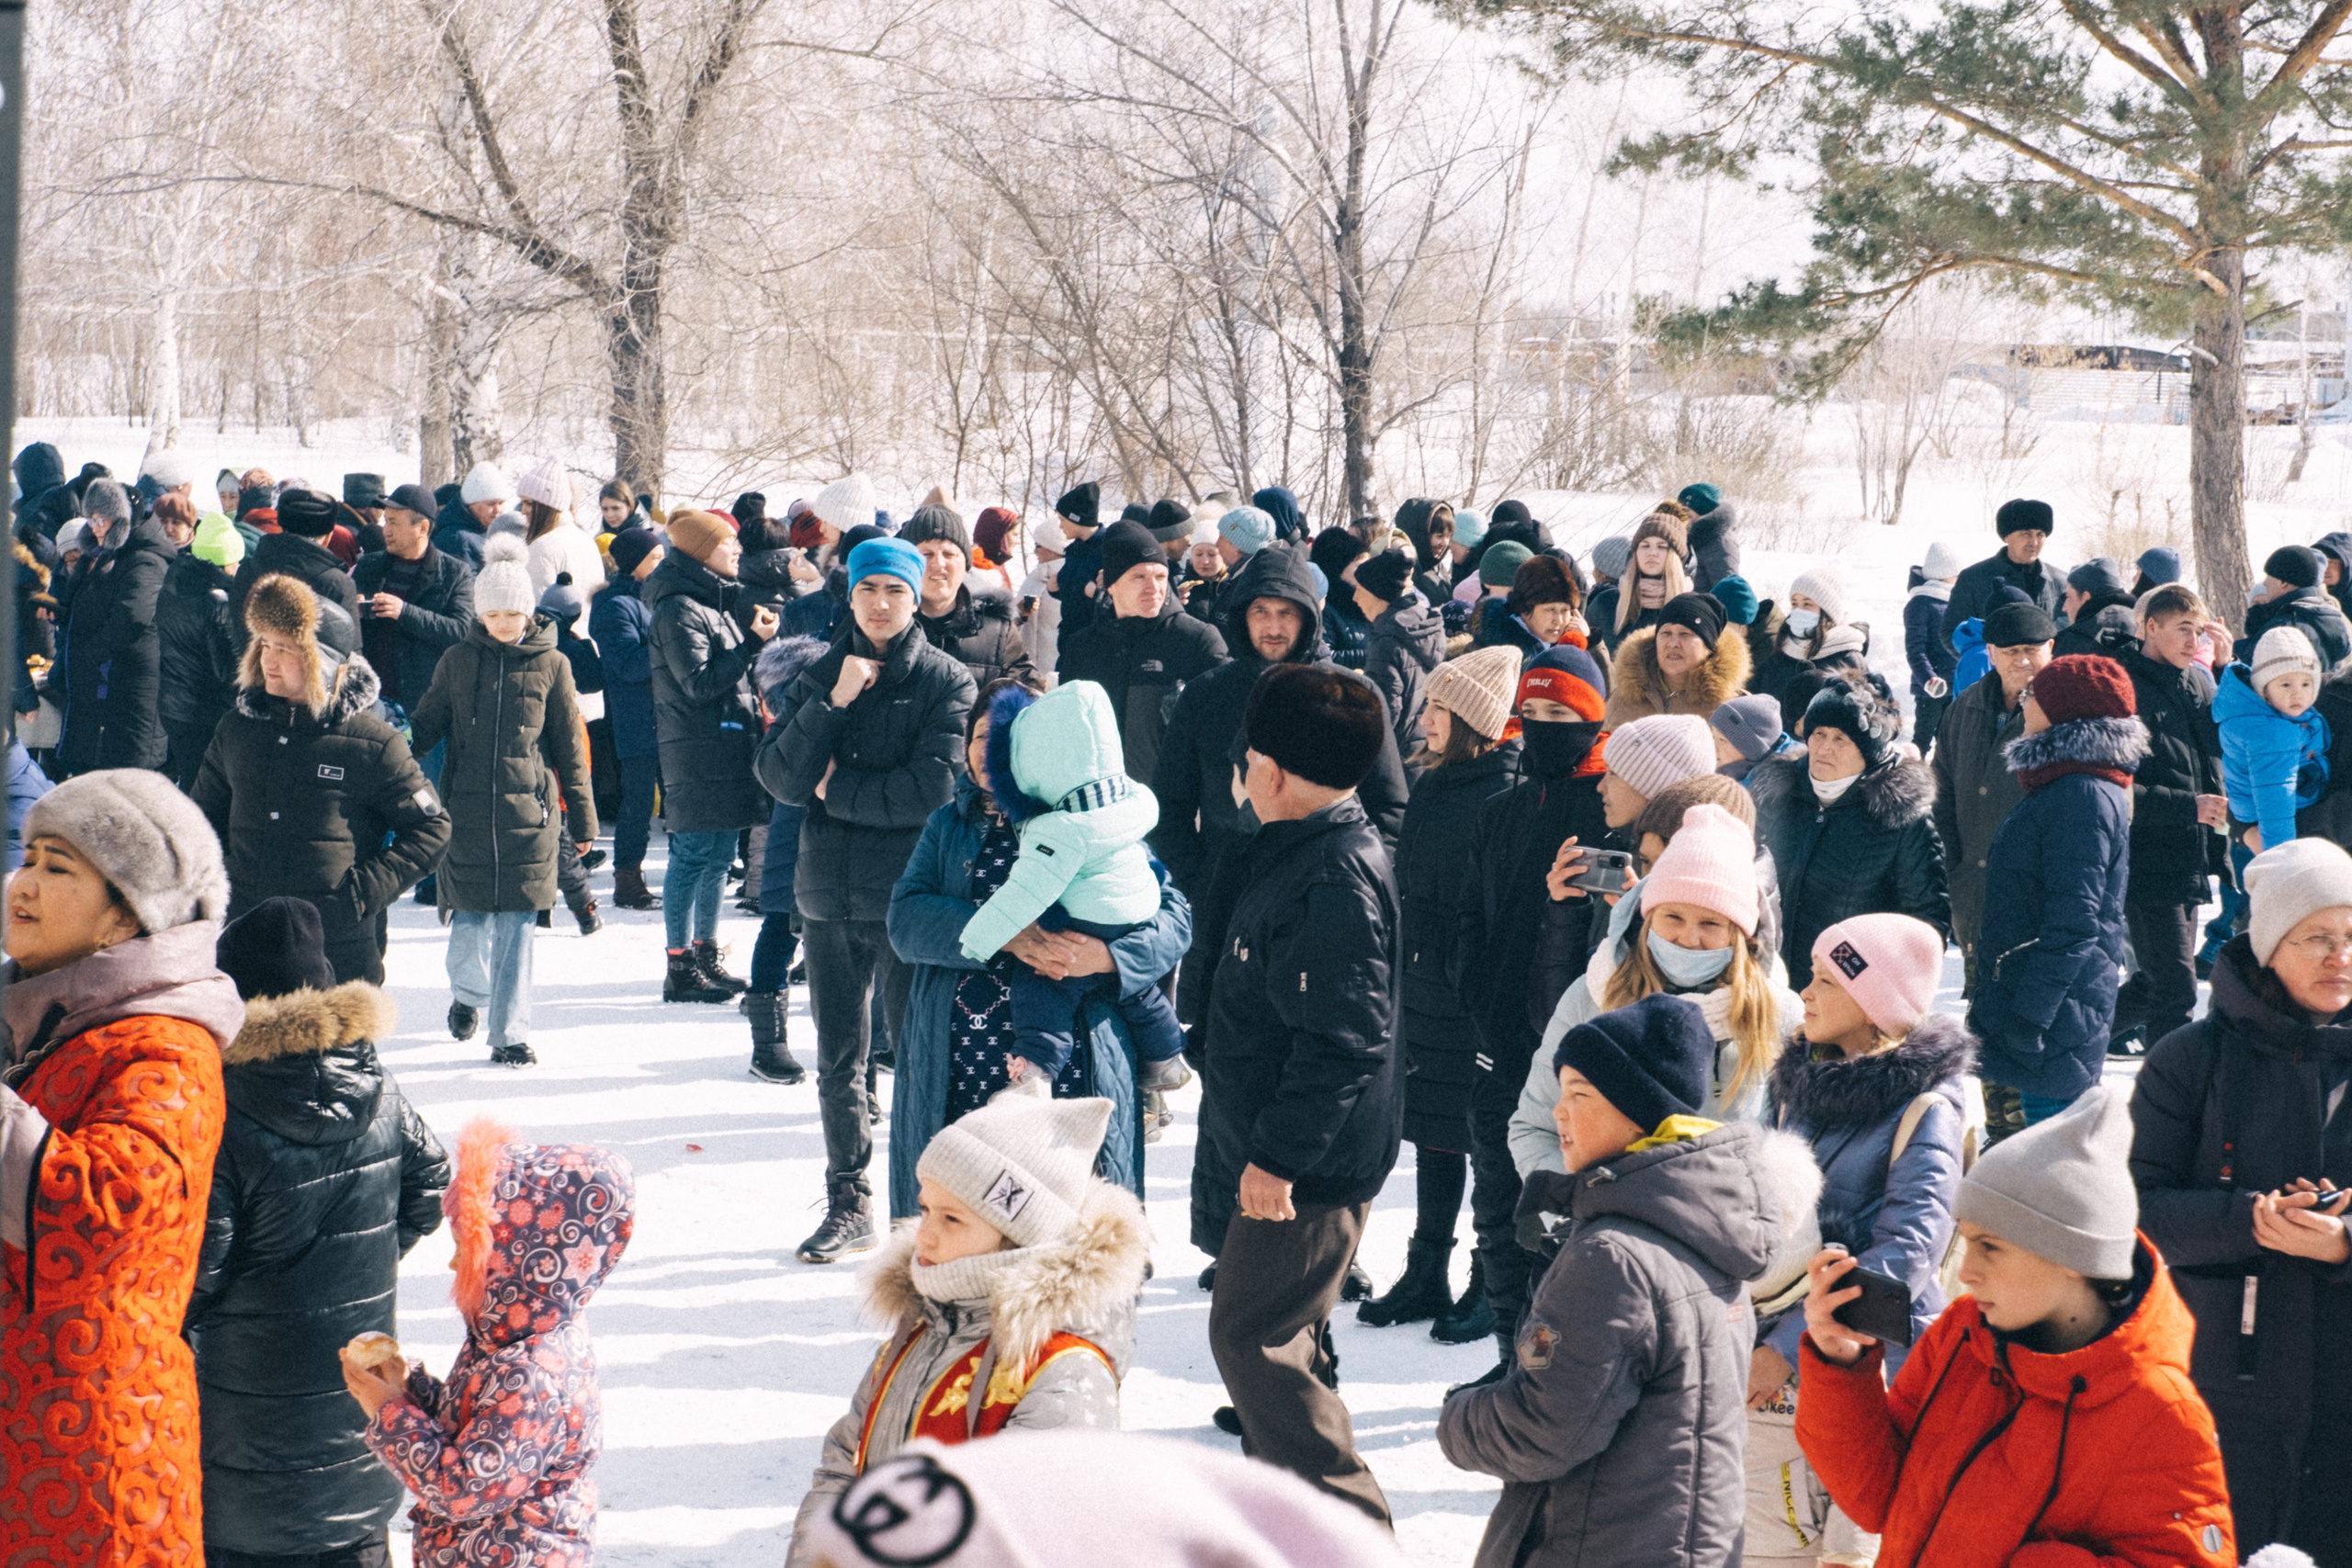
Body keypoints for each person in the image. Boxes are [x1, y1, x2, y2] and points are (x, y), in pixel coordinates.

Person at [1795, 1086, 2235, 1568]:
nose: (1966, 1271)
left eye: (1990, 1246)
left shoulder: (2159, 1411)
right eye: (1967, 1243)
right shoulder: (1961, 1333)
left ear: (2072, 1257)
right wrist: (1841, 1364)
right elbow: (1878, 1500)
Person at [1439, 993, 1807, 1568]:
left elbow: (1547, 1428)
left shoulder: (1613, 1257)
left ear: (1639, 1112)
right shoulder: (1707, 1228)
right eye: (1560, 1093)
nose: (1558, 1113)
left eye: (1580, 1095)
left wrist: (1461, 1416)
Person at [0, 770, 243, 1564]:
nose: (22, 883)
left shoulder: (164, 1046)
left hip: (94, 1466)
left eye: (57, 866)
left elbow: (100, 1214)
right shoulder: (50, 1022)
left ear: (125, 915)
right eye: (27, 857)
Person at [189, 897, 451, 1568]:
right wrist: (357, 1265)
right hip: (360, 1429)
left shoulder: (223, 1108)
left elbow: (195, 1275)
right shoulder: (379, 1087)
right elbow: (433, 1181)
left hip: (245, 1457)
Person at [1202, 664, 1401, 1523]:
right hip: (1281, 1140)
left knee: (1255, 1340)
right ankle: (1290, 1527)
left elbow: (1344, 1038)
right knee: (1283, 1337)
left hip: (1309, 1163)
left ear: (1269, 770)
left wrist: (1279, 1158)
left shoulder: (1331, 876)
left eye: (1247, 756)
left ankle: (1348, 1533)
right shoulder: (1296, 847)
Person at [789, 1092, 1149, 1562]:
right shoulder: (924, 1322)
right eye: (925, 1210)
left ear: (1016, 1237)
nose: (925, 1235)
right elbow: (843, 1466)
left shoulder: (1063, 1370)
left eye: (952, 1218)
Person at [2130, 836, 2352, 1564]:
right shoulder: (2190, 1060)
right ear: (2266, 945)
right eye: (2317, 936)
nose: (2339, 956)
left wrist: (2343, 1240)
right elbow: (2132, 1208)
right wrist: (2249, 1221)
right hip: (2225, 1377)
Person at [763, 536, 978, 1263]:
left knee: (916, 1055)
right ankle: (849, 1197)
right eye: (868, 590)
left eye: (894, 590)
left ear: (916, 597)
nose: (881, 604)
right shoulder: (823, 672)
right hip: (824, 891)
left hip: (905, 897)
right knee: (838, 1057)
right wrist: (833, 700)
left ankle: (932, 1207)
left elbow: (932, 790)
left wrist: (833, 790)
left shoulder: (946, 680)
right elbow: (778, 778)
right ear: (848, 597)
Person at [1748, 912, 1969, 1566]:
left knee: (1854, 1545)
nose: (1805, 992)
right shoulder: (1796, 1085)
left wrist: (1791, 1346)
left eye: (1826, 980)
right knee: (1771, 1535)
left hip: (1876, 1372)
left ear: (1876, 1004)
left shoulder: (1927, 1108)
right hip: (1781, 1356)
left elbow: (1906, 1253)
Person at [343, 1122, 634, 1568]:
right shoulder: (514, 1332)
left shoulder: (533, 1372)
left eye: (466, 1248)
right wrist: (412, 1389)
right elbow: (479, 1425)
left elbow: (463, 1490)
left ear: (517, 1262)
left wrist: (392, 1413)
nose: (454, 1261)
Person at [1453, 646, 1617, 1381]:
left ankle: (1549, 1360)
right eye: (1535, 713)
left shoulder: (1610, 810)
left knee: (1554, 1209)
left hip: (1580, 1046)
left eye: (1564, 715)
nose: (1546, 727)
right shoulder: (1500, 811)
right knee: (1494, 1200)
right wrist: (1476, 1001)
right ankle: (1504, 1349)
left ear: (1594, 719)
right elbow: (1472, 922)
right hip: (1498, 1039)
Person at [1357, 647, 1522, 1333]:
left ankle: (1489, 1279)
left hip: (1468, 996)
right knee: (1432, 1135)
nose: (1423, 719)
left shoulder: (1502, 790)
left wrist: (1461, 972)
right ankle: (1427, 1268)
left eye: (1437, 710)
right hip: (1419, 986)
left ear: (1472, 721)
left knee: (1484, 1139)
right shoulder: (1433, 781)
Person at [1514, 799, 1799, 1178]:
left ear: (1740, 935)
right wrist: (1586, 1210)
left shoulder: (1780, 1013)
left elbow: (1804, 1146)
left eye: (1711, 924)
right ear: (1648, 918)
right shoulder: (1594, 994)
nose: (1688, 938)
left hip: (1729, 1227)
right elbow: (1534, 1129)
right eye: (1673, 917)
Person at [193, 576, 450, 986]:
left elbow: (431, 828)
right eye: (265, 645)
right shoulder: (236, 730)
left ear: (323, 662)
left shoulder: (372, 742)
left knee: (335, 1050)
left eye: (286, 649)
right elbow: (201, 824)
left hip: (337, 952)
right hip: (246, 942)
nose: (269, 661)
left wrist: (359, 894)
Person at [408, 539, 596, 1067]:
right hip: (465, 817)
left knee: (518, 935)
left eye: (513, 613)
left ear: (530, 611)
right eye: (492, 614)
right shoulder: (457, 660)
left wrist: (581, 816)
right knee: (467, 933)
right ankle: (469, 994)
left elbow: (568, 747)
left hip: (530, 820)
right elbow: (425, 726)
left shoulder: (553, 664)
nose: (503, 624)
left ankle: (509, 1033)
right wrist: (390, 751)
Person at [958, 680, 1187, 1085]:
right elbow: (906, 918)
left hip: (1095, 1059)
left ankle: (1037, 1069)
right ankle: (1166, 1057)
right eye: (981, 736)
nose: (992, 749)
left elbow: (1177, 921)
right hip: (966, 1061)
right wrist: (1008, 937)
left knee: (1044, 988)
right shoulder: (947, 825)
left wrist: (1113, 958)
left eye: (1006, 738)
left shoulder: (1069, 825)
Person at [1970, 653, 2141, 1144]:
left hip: (2052, 1025)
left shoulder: (2081, 795)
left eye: (2034, 696)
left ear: (2066, 713)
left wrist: (2029, 1017)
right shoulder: (2070, 785)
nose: (2024, 703)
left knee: (2048, 1179)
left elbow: (2075, 925)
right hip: (2046, 1014)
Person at [644, 508, 779, 1000]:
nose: (737, 551)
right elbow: (698, 683)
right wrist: (751, 645)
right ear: (702, 552)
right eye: (728, 544)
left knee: (721, 856)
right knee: (695, 854)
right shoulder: (678, 607)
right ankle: (679, 965)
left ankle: (704, 951)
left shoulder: (713, 601)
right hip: (697, 751)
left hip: (725, 744)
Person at [1753, 679, 1949, 989]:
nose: (1824, 747)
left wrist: (1878, 992)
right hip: (1768, 985)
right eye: (1819, 734)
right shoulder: (1779, 794)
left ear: (1866, 751)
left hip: (1849, 995)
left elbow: (1925, 921)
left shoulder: (1899, 817)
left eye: (1841, 738)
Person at [2112, 583, 2227, 1056]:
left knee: (2154, 982)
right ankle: (2169, 1104)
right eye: (2183, 630)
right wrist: (2188, 807)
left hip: (2190, 857)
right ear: (2150, 627)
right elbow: (2114, 786)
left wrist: (2223, 668)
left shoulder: (2200, 680)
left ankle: (2065, 1038)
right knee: (2175, 991)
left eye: (2199, 632)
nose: (2192, 641)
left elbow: (2224, 748)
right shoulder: (2122, 686)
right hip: (2146, 861)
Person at [1931, 599, 2054, 987]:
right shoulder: (1962, 709)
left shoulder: (2065, 712)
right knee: (1981, 1013)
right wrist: (1954, 868)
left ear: (2051, 649)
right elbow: (1941, 796)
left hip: (2038, 901)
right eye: (2010, 652)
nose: (2022, 661)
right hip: (1973, 896)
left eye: (2031, 650)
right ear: (1991, 654)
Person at [1055, 517, 1227, 787]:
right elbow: (1066, 733)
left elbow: (1224, 735)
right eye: (1139, 577)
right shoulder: (1082, 647)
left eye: (1160, 576)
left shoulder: (1197, 640)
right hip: (1101, 804)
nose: (1154, 588)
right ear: (1111, 584)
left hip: (1171, 811)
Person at [53, 476, 175, 776]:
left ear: (122, 521)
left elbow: (131, 618)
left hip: (128, 688)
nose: (94, 527)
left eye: (101, 519)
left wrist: (88, 654)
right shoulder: (105, 554)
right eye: (90, 518)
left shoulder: (146, 561)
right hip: (103, 685)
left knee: (123, 780)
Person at [351, 481, 475, 728]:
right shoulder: (369, 566)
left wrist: (404, 612)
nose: (386, 530)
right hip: (370, 700)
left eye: (394, 522)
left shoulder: (454, 573)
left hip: (425, 707)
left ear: (422, 528)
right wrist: (352, 612)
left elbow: (461, 631)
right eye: (385, 521)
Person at [591, 525, 663, 909]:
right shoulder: (615, 605)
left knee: (676, 801)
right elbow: (627, 665)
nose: (661, 564)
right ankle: (628, 879)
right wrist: (668, 641)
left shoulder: (654, 598)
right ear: (634, 564)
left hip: (667, 716)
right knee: (636, 802)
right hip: (636, 717)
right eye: (654, 558)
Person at [2219, 625, 2330, 865]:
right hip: (2270, 825)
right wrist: (2282, 863)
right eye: (2286, 685)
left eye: (2305, 684)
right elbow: (2275, 804)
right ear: (2264, 690)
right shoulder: (2274, 734)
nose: (2297, 694)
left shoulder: (2281, 717)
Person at [155, 494, 245, 789]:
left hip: (173, 707)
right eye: (235, 561)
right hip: (205, 714)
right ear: (224, 560)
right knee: (207, 791)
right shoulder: (217, 602)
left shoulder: (175, 579)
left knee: (192, 781)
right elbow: (229, 671)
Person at [900, 503, 1039, 689]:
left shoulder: (997, 630)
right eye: (926, 554)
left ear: (965, 563)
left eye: (949, 554)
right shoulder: (883, 624)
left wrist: (991, 714)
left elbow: (1030, 700)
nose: (939, 563)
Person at [1940, 497, 2069, 660]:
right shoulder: (1974, 579)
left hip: (2047, 678)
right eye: (2026, 533)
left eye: (2040, 534)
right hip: (1994, 679)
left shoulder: (2061, 582)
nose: (2034, 542)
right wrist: (1987, 663)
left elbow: (2069, 633)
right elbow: (1951, 632)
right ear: (2007, 536)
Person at [1604, 589, 1748, 727]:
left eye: (1685, 634)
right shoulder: (1626, 697)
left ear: (1709, 647)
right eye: (1666, 633)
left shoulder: (1733, 709)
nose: (1673, 644)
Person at [1750, 567, 1870, 728]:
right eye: (1794, 604)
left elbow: (1865, 716)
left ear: (1828, 611)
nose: (1799, 611)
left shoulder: (1847, 657)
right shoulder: (1781, 652)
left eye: (1808, 604)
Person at [1355, 547, 1443, 759]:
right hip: (1425, 749)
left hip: (1397, 757)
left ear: (1377, 593)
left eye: (1359, 590)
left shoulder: (1386, 643)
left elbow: (1384, 715)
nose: (1355, 598)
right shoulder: (1425, 624)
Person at [232, 487, 363, 630]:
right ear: (328, 537)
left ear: (281, 527)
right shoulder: (338, 584)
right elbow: (349, 647)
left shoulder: (247, 571)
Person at [1586, 511, 1689, 656]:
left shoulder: (1693, 608)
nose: (1652, 552)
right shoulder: (1605, 603)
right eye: (1645, 546)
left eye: (1662, 547)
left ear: (1676, 556)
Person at [2240, 545, 2352, 673]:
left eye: (2269, 576)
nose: (2265, 583)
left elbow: (2253, 676)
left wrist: (2225, 661)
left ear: (2283, 582)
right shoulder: (2323, 619)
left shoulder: (2286, 626)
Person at [1472, 552, 1586, 665]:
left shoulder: (1556, 646)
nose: (1559, 620)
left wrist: (1585, 642)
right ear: (1524, 609)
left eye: (1564, 610)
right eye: (1550, 609)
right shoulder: (1499, 657)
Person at [1905, 541, 1960, 752]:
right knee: (1922, 739)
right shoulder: (1920, 603)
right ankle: (1913, 779)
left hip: (1955, 685)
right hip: (1931, 688)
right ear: (1945, 573)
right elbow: (1915, 649)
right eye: (1955, 573)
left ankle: (1943, 782)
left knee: (1948, 742)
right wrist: (1928, 679)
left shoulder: (1953, 601)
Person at [429, 460, 511, 571]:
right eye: (490, 504)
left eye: (501, 503)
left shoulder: (489, 531)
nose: (497, 510)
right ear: (471, 504)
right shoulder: (456, 539)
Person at [2054, 556, 2141, 660]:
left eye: (2068, 597)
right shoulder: (2144, 627)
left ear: (2086, 597)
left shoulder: (2073, 640)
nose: (2064, 608)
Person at [1050, 480, 1107, 637]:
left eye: (1062, 520)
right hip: (1069, 637)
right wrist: (1055, 590)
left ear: (1076, 519)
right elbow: (1075, 593)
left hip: (1093, 641)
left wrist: (1097, 595)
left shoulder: (1108, 548)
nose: (1060, 526)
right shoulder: (1074, 549)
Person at [1710, 690, 1802, 784]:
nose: (1712, 747)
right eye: (1712, 736)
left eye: (1722, 740)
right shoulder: (1704, 770)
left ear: (1750, 750)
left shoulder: (1779, 793)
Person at [1679, 480, 1743, 591]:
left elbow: (1727, 590)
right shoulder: (1687, 538)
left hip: (1703, 606)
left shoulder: (1721, 543)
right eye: (1679, 512)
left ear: (1704, 512)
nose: (1682, 518)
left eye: (1687, 514)